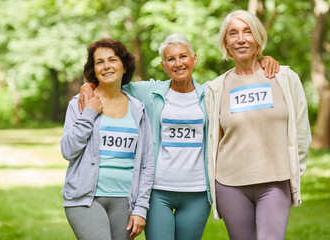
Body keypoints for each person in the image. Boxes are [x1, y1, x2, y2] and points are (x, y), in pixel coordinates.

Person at [78, 33, 279, 240]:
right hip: (158, 192)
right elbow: (112, 84)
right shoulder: (149, 92)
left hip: (198, 192)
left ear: (194, 59)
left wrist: (263, 60)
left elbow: (241, 79)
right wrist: (88, 85)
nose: (178, 63)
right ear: (164, 65)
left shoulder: (211, 93)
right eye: (171, 59)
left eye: (183, 56)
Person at [205, 10, 312, 240]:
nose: (241, 39)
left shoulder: (284, 78)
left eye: (248, 32)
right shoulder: (215, 88)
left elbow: (301, 131)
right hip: (229, 184)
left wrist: (296, 171)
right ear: (226, 42)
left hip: (275, 181)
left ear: (258, 38)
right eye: (233, 33)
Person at [60, 38, 154, 240]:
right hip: (85, 199)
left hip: (125, 201)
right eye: (99, 62)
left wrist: (141, 208)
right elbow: (68, 150)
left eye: (112, 59)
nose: (106, 66)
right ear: (93, 70)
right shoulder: (80, 103)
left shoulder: (138, 109)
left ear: (123, 65)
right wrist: (89, 114)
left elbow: (147, 163)